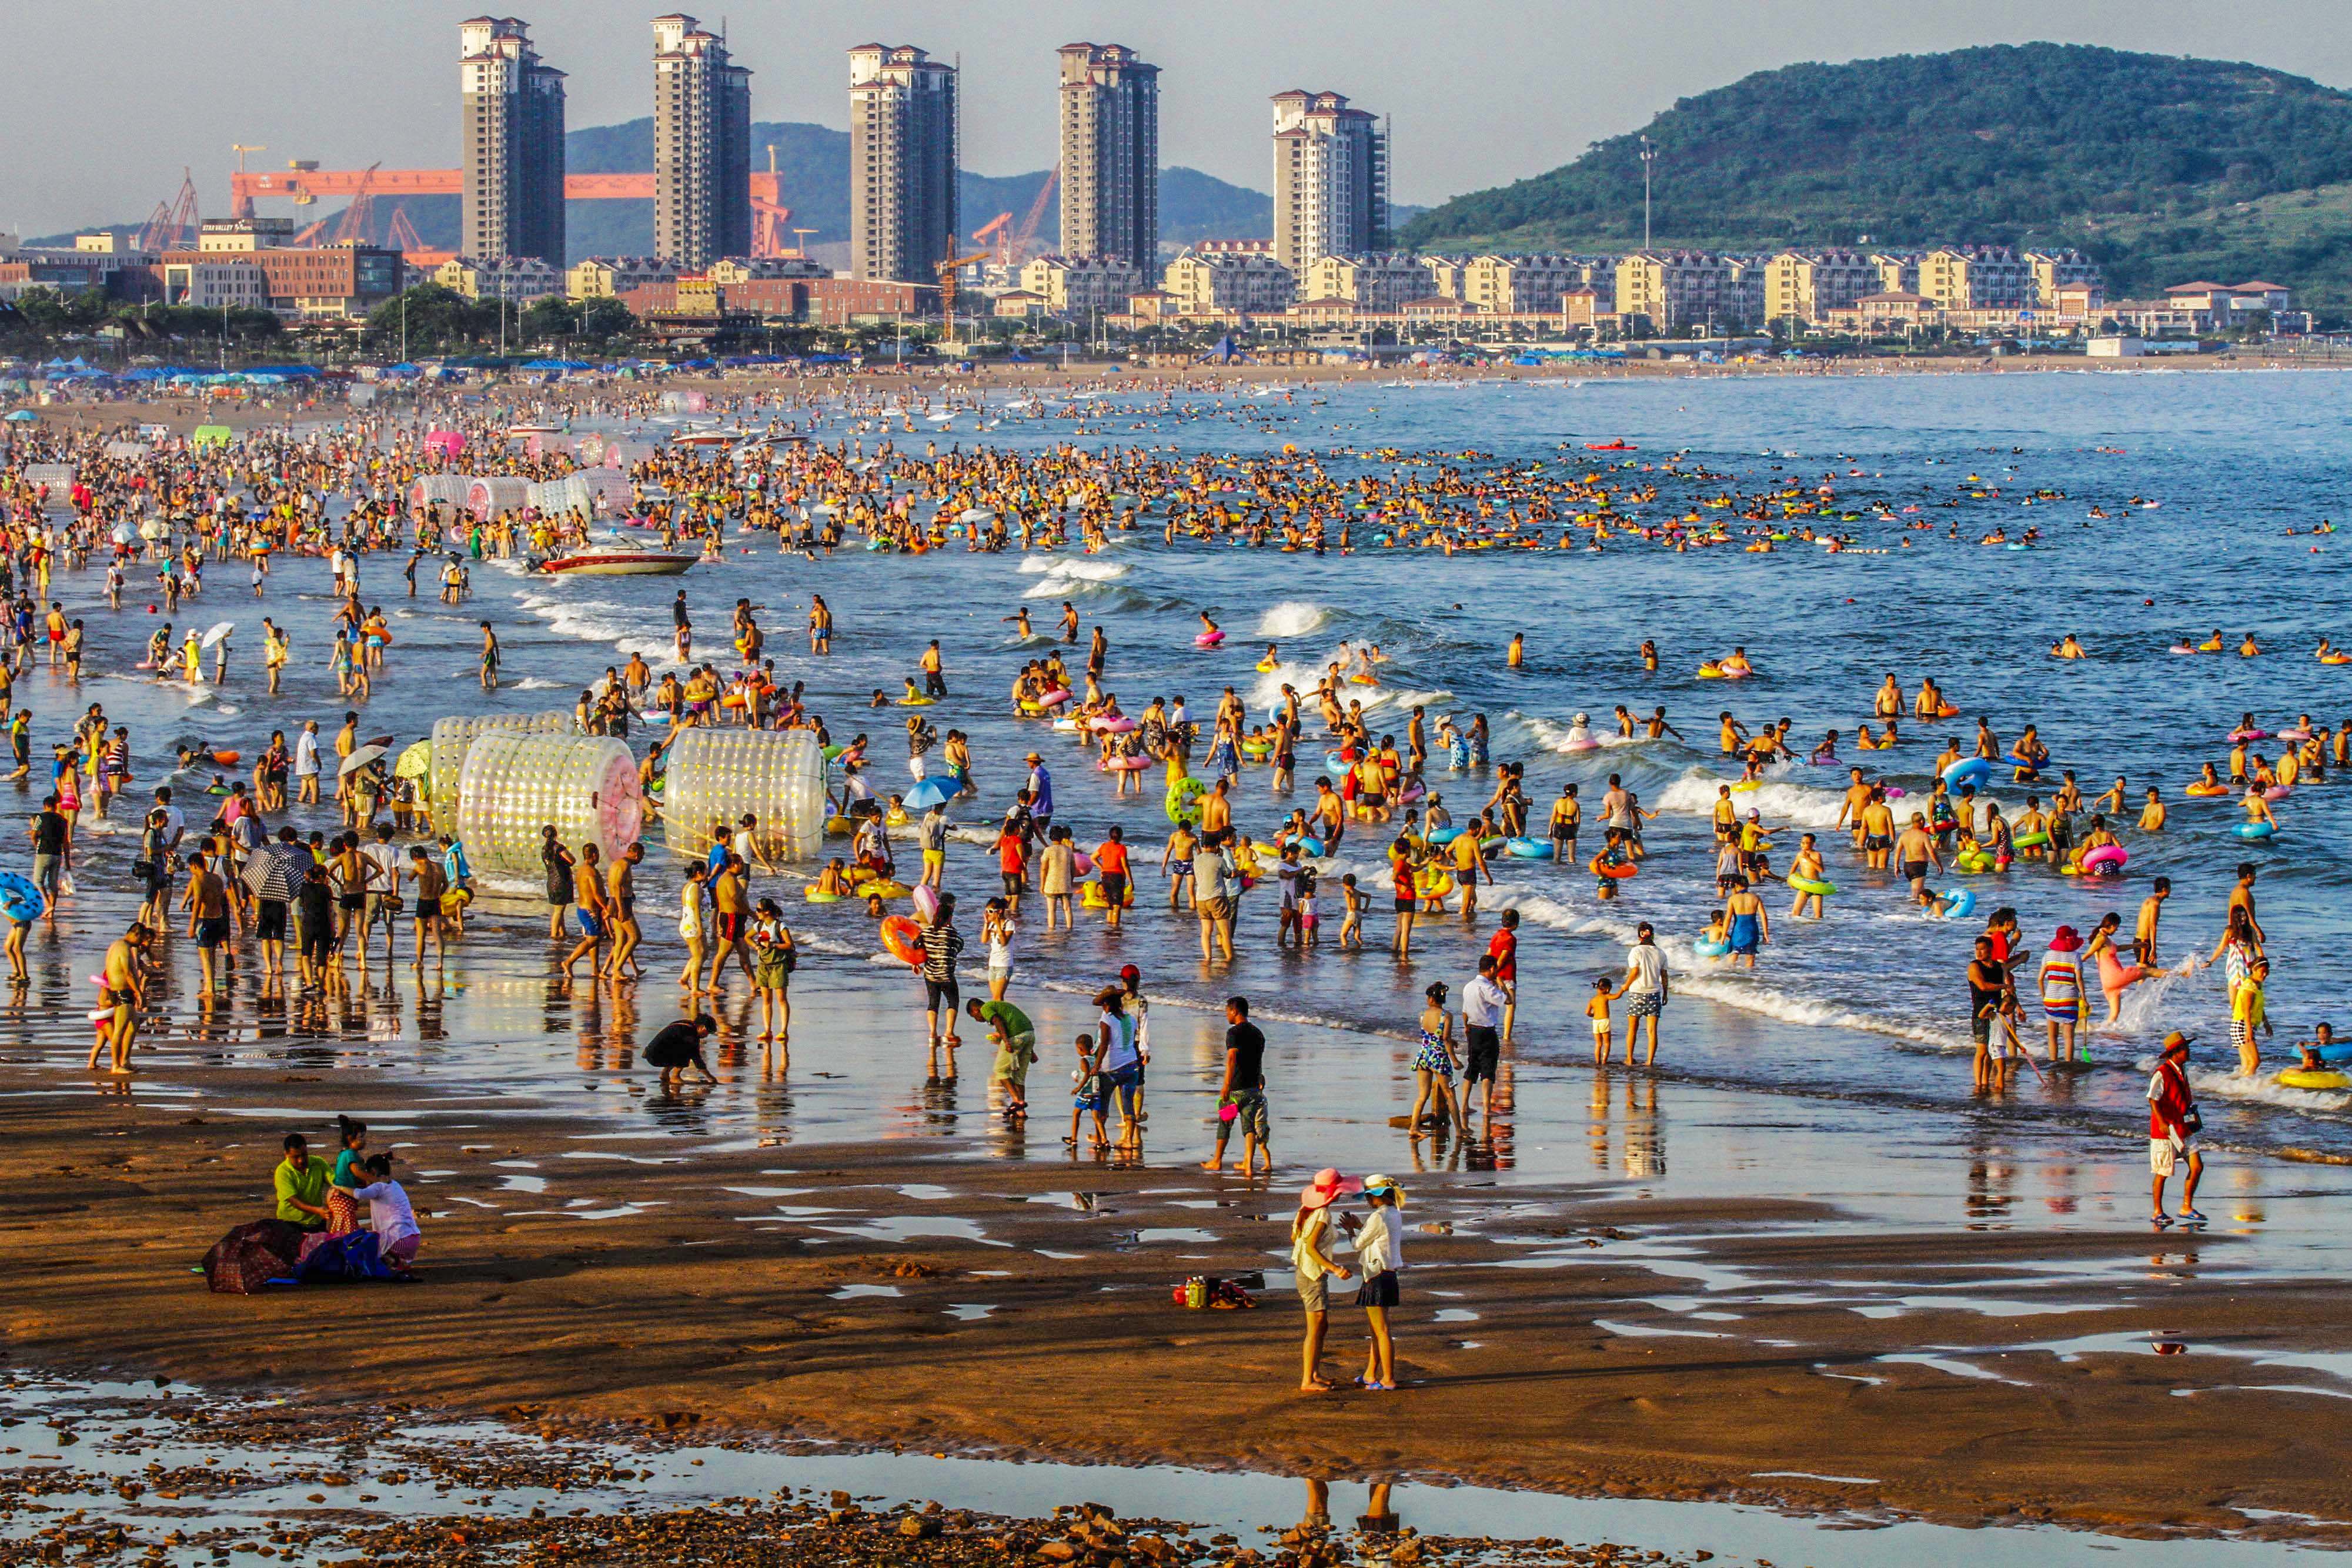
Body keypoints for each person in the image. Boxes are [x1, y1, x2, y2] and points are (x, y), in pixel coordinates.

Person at [1289, 1168, 1358, 1392]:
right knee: (1316, 1327)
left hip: (1307, 1273)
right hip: (1312, 1275)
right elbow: (1309, 1247)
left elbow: (1296, 1239)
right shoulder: (1322, 1214)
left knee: (1322, 1325)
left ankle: (1314, 1373)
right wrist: (1335, 1269)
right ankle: (1307, 1380)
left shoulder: (1306, 1210)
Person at [1348, 1175, 1406, 1392]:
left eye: (1369, 1197)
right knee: (1377, 1329)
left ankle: (1388, 1378)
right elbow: (1380, 1236)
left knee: (1381, 1330)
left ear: (1376, 1197)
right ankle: (1371, 1373)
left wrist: (1351, 1230)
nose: (1367, 1201)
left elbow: (1358, 1244)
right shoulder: (1394, 1213)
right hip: (1388, 1274)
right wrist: (1360, 1226)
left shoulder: (1378, 1216)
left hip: (1376, 1276)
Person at [1202, 995, 1270, 1173]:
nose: (1226, 1015)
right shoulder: (1258, 1033)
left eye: (1227, 1011)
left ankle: (1217, 1160)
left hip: (1235, 1090)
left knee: (1225, 1123)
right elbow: (1258, 1060)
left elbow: (1232, 1058)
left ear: (1235, 1011)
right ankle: (1248, 1164)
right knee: (1249, 1128)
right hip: (1253, 1089)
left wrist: (1226, 1086)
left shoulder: (1233, 1033)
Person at [2148, 1031, 2204, 1225]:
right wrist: (2162, 1122)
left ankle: (2187, 1207)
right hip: (2166, 1131)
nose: (2188, 1051)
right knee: (2163, 1173)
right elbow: (2152, 1098)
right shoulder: (2162, 1073)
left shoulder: (2183, 1071)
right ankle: (2157, 1212)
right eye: (2185, 1049)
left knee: (2197, 1167)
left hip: (2183, 1127)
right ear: (2176, 1052)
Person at [335, 1152, 423, 1271]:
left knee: (370, 1256)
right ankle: (398, 1262)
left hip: (398, 1240)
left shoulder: (379, 1187)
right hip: (413, 1239)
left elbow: (359, 1194)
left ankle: (393, 1261)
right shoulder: (395, 1185)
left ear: (373, 1173)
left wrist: (338, 1187)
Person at [1409, 982, 1465, 1135]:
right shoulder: (1446, 1016)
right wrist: (1455, 1060)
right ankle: (1459, 1130)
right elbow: (1445, 1039)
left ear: (1431, 999)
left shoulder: (1422, 1015)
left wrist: (1448, 1041)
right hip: (1439, 1058)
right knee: (1449, 1094)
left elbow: (1431, 1035)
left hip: (1424, 1056)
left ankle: (1414, 1127)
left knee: (1422, 1095)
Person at [1460, 955, 1508, 1125]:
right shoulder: (1487, 988)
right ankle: (1487, 1108)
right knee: (1488, 1070)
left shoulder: (1469, 986)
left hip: (1472, 1029)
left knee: (1472, 1067)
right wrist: (1502, 985)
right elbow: (1507, 1000)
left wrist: (1466, 1026)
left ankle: (1464, 1105)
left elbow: (1465, 1010)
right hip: (1487, 1031)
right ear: (1492, 969)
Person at [969, 995, 1036, 1115]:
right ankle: (1021, 1112)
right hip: (1029, 1035)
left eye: (974, 1017)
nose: (977, 1020)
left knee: (1000, 1070)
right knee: (1018, 1077)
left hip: (1016, 1038)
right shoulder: (999, 1006)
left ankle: (1018, 1101)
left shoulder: (985, 1008)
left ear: (975, 1010)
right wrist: (1031, 1051)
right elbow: (1016, 1023)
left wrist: (1006, 1041)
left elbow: (997, 1021)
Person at [1614, 922, 1668, 1066]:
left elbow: (1635, 972)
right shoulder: (1660, 953)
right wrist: (1665, 994)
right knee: (1652, 1031)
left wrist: (1626, 986)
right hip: (1655, 993)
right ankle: (1649, 1061)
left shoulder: (1636, 951)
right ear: (1653, 935)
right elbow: (1664, 975)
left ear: (1639, 937)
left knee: (1633, 1029)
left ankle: (1630, 1059)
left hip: (1637, 993)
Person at [747, 897, 796, 1057]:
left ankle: (783, 1031)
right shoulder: (759, 925)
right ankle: (767, 1030)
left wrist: (773, 945)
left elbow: (790, 945)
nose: (757, 912)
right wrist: (756, 947)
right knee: (766, 999)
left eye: (759, 910)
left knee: (781, 999)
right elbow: (747, 937)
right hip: (763, 965)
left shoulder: (780, 926)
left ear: (767, 912)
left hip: (778, 965)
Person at [920, 892, 965, 1049]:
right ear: (950, 917)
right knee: (953, 1001)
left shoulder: (926, 932)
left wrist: (915, 962)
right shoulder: (953, 934)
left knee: (933, 1003)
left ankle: (933, 1034)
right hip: (946, 975)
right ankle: (949, 1033)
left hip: (930, 974)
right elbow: (960, 947)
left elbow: (916, 947)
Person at [274, 1132, 331, 1232]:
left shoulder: (318, 1162)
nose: (301, 1160)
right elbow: (294, 1201)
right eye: (296, 1157)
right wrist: (318, 1210)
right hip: (290, 1224)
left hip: (316, 1222)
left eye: (304, 1155)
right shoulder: (282, 1172)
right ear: (286, 1155)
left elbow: (336, 1182)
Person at [644, 1012, 719, 1088]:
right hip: (656, 1056)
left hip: (651, 1053)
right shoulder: (691, 1034)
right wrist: (710, 1077)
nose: (707, 1036)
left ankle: (665, 1074)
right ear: (702, 1027)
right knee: (689, 1050)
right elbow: (697, 1059)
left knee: (683, 1046)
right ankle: (675, 1076)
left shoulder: (686, 1024)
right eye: (707, 1032)